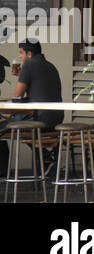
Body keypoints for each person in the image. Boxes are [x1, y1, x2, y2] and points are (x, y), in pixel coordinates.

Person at [0, 41, 63, 173]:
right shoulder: (50, 66)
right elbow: (41, 92)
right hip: (56, 119)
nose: (20, 56)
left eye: (21, 53)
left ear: (29, 54)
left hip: (39, 119)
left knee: (8, 126)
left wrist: (8, 116)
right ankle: (45, 157)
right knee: (17, 128)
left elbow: (17, 97)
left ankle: (3, 171)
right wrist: (22, 75)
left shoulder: (28, 66)